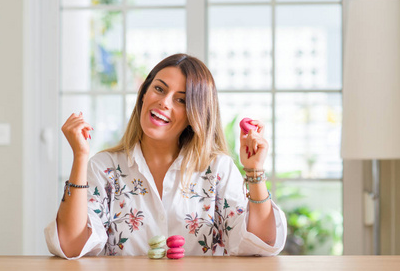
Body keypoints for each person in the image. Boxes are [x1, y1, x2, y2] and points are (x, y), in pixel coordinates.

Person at [45, 53, 287, 259]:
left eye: (181, 100)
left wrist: (255, 171)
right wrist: (80, 156)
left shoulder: (218, 169)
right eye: (159, 89)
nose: (164, 102)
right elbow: (71, 245)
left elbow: (261, 244)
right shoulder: (104, 167)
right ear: (143, 93)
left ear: (196, 114)